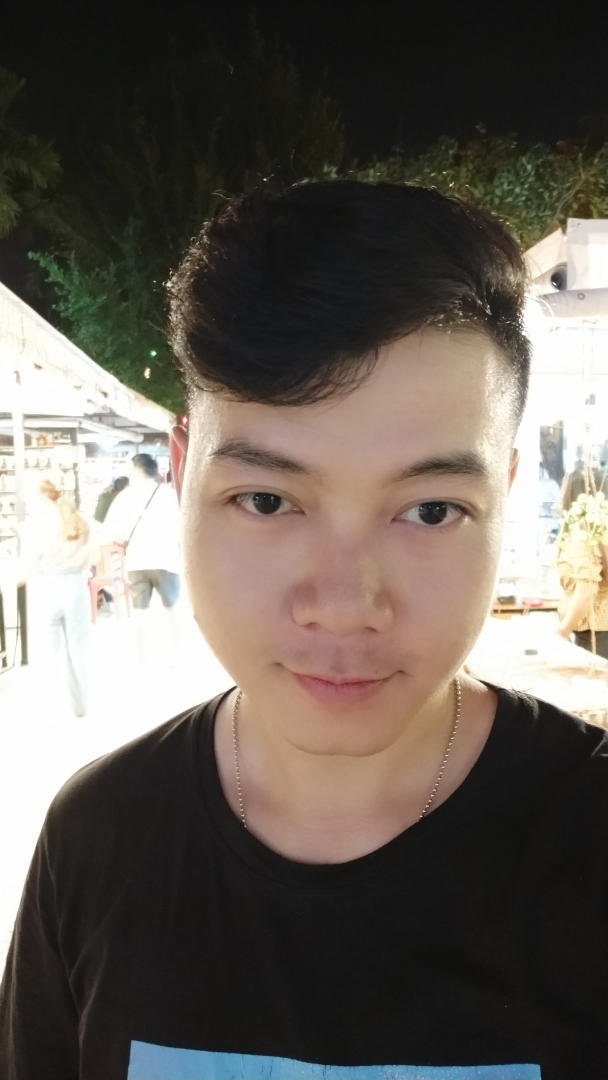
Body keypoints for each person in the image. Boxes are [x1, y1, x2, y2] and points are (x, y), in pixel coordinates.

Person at [2, 181, 607, 1080]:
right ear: (183, 475)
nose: (345, 603)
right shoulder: (98, 841)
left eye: (430, 510)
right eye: (266, 500)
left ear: (503, 496)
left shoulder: (585, 841)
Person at [21, 479, 96, 717]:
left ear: (39, 497)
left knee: (51, 650)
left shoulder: (35, 525)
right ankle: (81, 706)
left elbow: (28, 564)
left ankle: (58, 705)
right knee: (78, 647)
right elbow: (92, 556)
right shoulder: (77, 519)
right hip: (75, 584)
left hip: (47, 586)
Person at [102, 452, 181, 658]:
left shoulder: (124, 497)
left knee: (140, 612)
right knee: (171, 609)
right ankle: (173, 653)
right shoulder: (168, 495)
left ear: (137, 470)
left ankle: (142, 654)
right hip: (166, 560)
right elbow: (181, 527)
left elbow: (113, 533)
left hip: (137, 561)